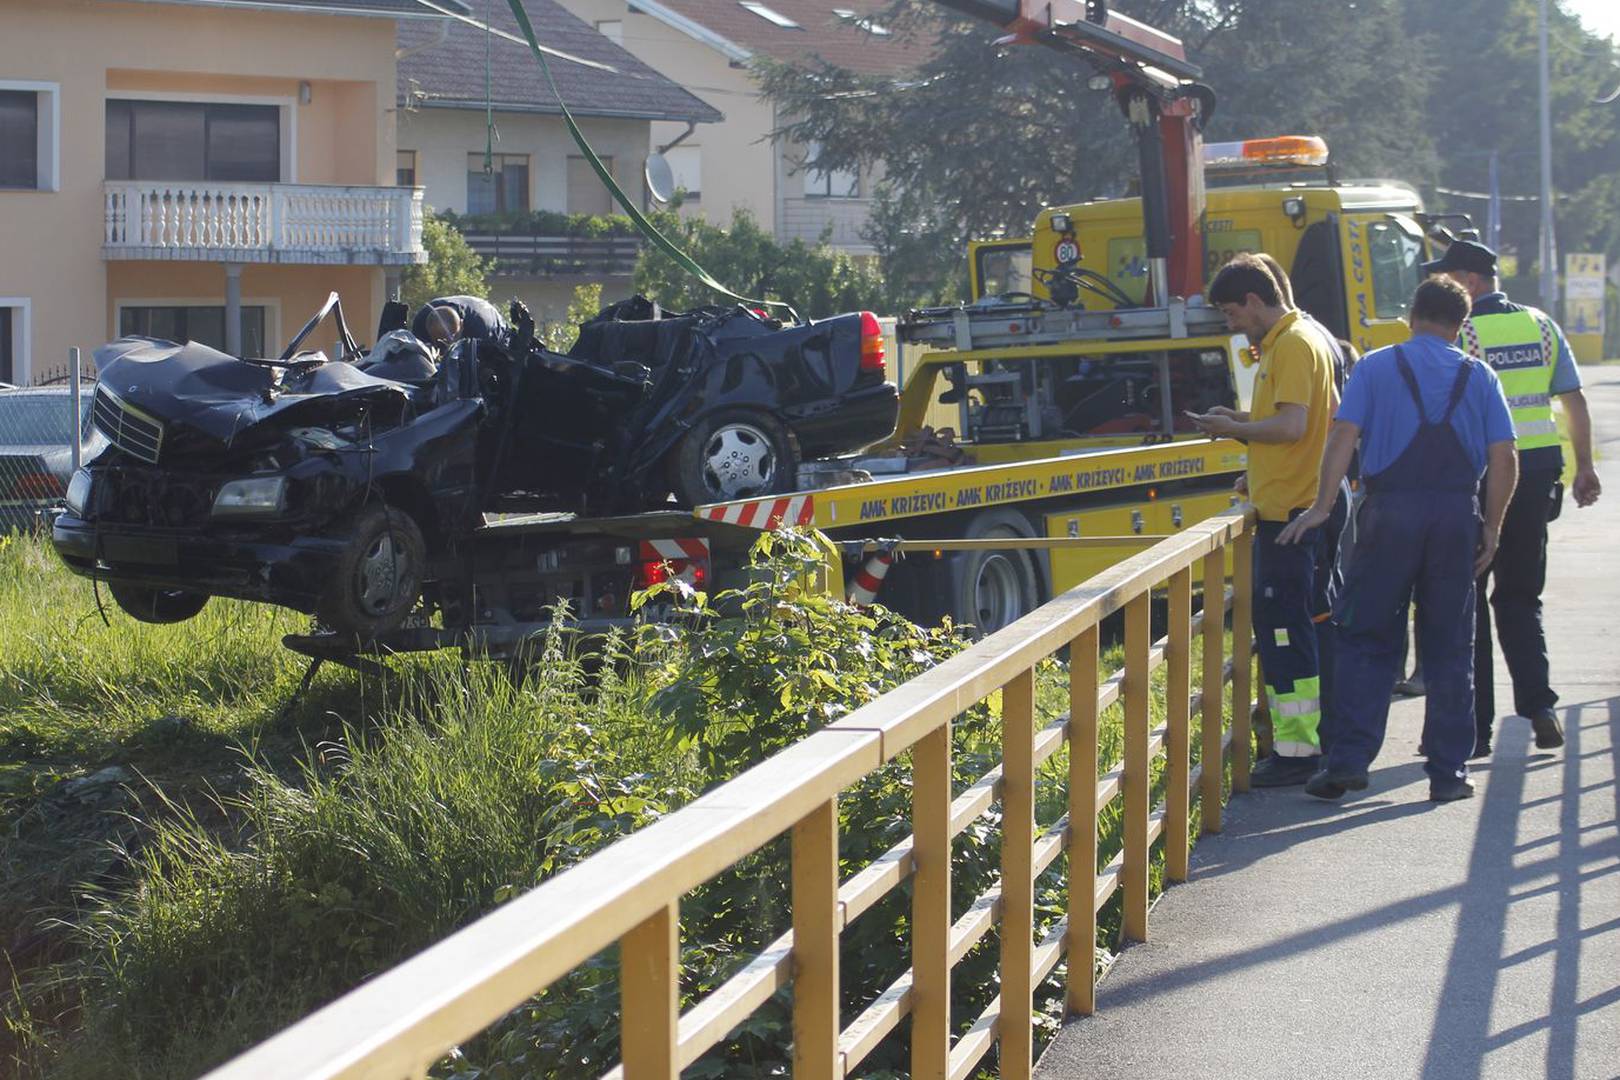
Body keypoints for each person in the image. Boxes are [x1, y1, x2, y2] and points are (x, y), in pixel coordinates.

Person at [1279, 277, 1517, 802]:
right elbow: (1504, 456)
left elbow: (1343, 435)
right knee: (1451, 642)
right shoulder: (1479, 375)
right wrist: (1492, 527)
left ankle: (1347, 763)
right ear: (1461, 324)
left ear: (1412, 316)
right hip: (1456, 515)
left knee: (1366, 634)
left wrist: (1322, 506)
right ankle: (1448, 773)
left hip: (1389, 514)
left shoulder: (1376, 366)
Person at [1427, 239, 1602, 754]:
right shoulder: (1542, 325)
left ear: (1470, 282)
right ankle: (1539, 704)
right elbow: (1573, 398)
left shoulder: (1464, 333)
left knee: (1469, 599)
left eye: (1446, 279)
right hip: (1540, 468)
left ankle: (1474, 731)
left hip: (1482, 471)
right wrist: (1585, 466)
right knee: (1521, 596)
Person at [1189, 258, 1339, 786]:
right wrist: (1239, 425)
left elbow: (1294, 426)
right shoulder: (1298, 339)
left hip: (1292, 516)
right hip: (1296, 504)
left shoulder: (1292, 346)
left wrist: (1238, 433)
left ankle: (1298, 755)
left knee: (1284, 635)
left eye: (1231, 312)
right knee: (1304, 630)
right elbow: (1304, 421)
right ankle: (1314, 743)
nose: (1231, 323)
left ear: (1254, 300)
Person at [410, 295, 508, 349]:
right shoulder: (421, 320)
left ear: (461, 325)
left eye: (447, 340)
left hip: (498, 331)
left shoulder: (480, 330)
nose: (442, 344)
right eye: (437, 341)